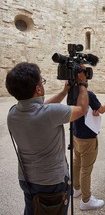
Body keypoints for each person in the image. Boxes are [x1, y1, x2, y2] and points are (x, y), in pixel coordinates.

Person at [5, 62, 89, 215]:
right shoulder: (50, 114)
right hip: (51, 182)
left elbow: (40, 108)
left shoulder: (12, 113)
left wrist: (64, 92)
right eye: (41, 82)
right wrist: (82, 83)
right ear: (38, 89)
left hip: (26, 180)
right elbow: (82, 109)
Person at [72, 84, 105, 210]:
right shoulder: (88, 94)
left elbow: (82, 109)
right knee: (86, 169)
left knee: (76, 163)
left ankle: (76, 189)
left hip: (76, 133)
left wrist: (93, 110)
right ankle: (86, 200)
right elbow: (102, 109)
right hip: (87, 136)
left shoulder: (72, 92)